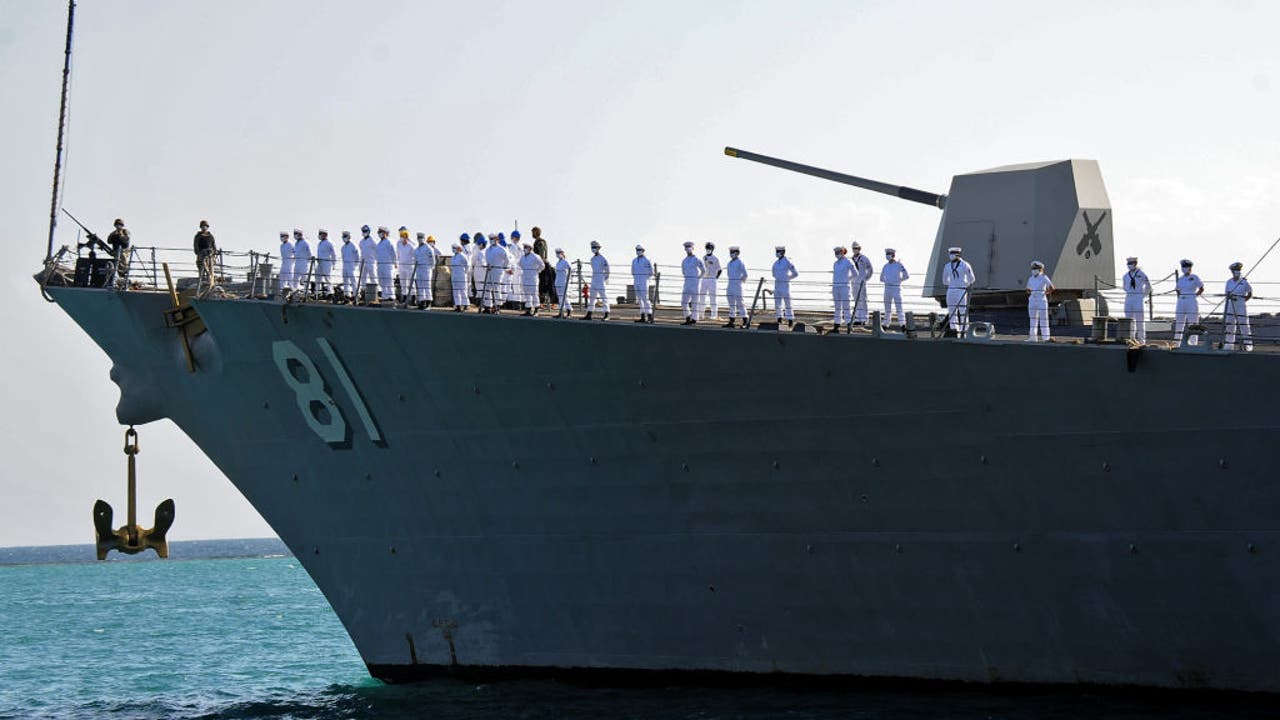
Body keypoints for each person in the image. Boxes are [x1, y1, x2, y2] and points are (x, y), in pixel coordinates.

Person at [942, 246, 975, 335]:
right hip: (951, 290)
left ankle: (964, 329)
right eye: (950, 254)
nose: (951, 256)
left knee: (963, 311)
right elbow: (944, 280)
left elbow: (972, 279)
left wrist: (965, 284)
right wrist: (952, 284)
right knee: (951, 311)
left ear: (958, 254)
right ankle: (954, 329)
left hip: (961, 290)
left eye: (953, 254)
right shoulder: (947, 266)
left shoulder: (965, 265)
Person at [1224, 261, 1253, 351]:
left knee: (1244, 325)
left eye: (1238, 270)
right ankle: (1229, 345)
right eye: (1235, 270)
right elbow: (1226, 294)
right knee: (1229, 325)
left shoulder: (1244, 282)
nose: (1237, 271)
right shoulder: (1229, 282)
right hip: (1230, 304)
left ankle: (1248, 345)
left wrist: (1243, 301)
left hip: (1240, 303)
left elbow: (1250, 293)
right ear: (1232, 271)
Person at [1174, 259, 1204, 345]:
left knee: (1193, 322)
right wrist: (1180, 297)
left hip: (1191, 299)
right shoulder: (1180, 279)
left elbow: (1201, 288)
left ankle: (1193, 343)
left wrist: (1195, 295)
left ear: (1190, 268)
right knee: (1179, 322)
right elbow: (1177, 289)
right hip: (1181, 300)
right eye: (1183, 267)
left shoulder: (1195, 277)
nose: (1184, 268)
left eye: (1186, 267)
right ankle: (1177, 343)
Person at [1121, 256, 1150, 343]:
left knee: (1140, 320)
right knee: (1129, 319)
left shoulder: (1142, 274)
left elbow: (1148, 287)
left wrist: (1143, 296)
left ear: (1135, 264)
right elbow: (1124, 287)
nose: (1129, 265)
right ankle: (1131, 338)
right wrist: (1130, 292)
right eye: (1128, 263)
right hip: (1129, 297)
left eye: (1131, 263)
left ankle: (1141, 340)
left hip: (1138, 297)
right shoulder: (1125, 276)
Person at [1026, 260, 1055, 342]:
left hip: (1041, 299)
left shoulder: (1044, 277)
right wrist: (1031, 292)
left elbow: (1052, 287)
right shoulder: (1031, 278)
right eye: (1033, 269)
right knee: (1032, 319)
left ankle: (1046, 338)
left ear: (1040, 269)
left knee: (1043, 319)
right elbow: (1027, 289)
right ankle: (1032, 337)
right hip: (1032, 299)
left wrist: (1045, 293)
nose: (1033, 270)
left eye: (1035, 269)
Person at [880, 248, 909, 326]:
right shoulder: (885, 266)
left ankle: (902, 324)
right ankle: (886, 324)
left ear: (893, 255)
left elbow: (906, 275)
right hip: (887, 288)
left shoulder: (899, 265)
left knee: (899, 307)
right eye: (887, 254)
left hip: (896, 288)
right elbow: (881, 278)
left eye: (889, 254)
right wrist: (887, 281)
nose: (887, 256)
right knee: (887, 308)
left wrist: (899, 280)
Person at [771, 245, 798, 327]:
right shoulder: (775, 263)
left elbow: (795, 273)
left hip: (785, 285)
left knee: (788, 303)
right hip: (777, 285)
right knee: (777, 303)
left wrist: (787, 278)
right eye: (776, 251)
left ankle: (790, 320)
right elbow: (773, 274)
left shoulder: (788, 261)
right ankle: (779, 318)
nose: (777, 253)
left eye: (778, 251)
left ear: (782, 252)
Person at [680, 241, 705, 325]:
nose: (688, 249)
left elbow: (703, 271)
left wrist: (698, 278)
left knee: (695, 302)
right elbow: (683, 272)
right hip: (687, 283)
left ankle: (694, 319)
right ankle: (688, 316)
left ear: (693, 248)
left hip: (695, 283)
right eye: (686, 247)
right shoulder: (684, 261)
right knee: (684, 302)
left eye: (689, 247)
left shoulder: (697, 259)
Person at [412, 234, 440, 309]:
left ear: (424, 239)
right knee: (420, 286)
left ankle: (428, 302)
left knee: (427, 286)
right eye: (418, 238)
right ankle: (422, 302)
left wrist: (431, 267)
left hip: (426, 269)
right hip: (419, 270)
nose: (420, 239)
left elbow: (432, 260)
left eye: (421, 238)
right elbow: (415, 259)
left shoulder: (428, 248)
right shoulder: (417, 249)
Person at [584, 240, 610, 320]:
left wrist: (605, 278)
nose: (593, 249)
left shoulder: (603, 258)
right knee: (592, 297)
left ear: (598, 248)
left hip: (600, 279)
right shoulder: (592, 259)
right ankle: (589, 313)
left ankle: (606, 314)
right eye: (592, 247)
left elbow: (607, 269)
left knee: (604, 297)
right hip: (594, 279)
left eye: (595, 247)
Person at [483, 234, 509, 312]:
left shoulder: (501, 249)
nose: (491, 240)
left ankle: (497, 306)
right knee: (487, 288)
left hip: (497, 271)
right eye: (490, 239)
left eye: (492, 239)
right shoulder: (488, 250)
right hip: (489, 270)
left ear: (497, 239)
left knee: (497, 288)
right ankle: (488, 306)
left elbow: (507, 260)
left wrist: (503, 268)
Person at [849, 241, 874, 324]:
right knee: (856, 299)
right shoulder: (851, 259)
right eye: (854, 248)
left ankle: (864, 318)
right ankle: (858, 317)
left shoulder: (864, 258)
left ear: (859, 249)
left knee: (863, 299)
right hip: (854, 282)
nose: (855, 250)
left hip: (861, 281)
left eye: (856, 248)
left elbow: (870, 269)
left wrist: (866, 278)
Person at [830, 246, 854, 331]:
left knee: (846, 306)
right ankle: (836, 325)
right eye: (835, 253)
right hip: (836, 286)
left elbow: (855, 273)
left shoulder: (848, 262)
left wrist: (847, 279)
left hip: (844, 287)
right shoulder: (836, 263)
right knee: (837, 307)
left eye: (838, 252)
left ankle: (849, 324)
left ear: (843, 252)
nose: (836, 254)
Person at [724, 246, 748, 328]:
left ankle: (745, 320)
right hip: (730, 284)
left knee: (740, 303)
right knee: (731, 303)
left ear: (737, 253)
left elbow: (745, 274)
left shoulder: (740, 262)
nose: (731, 254)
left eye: (733, 252)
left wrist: (740, 281)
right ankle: (731, 320)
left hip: (737, 285)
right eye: (730, 252)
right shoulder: (729, 263)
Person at [519, 243, 546, 315]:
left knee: (534, 293)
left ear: (530, 248)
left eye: (526, 247)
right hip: (525, 277)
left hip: (533, 277)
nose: (524, 249)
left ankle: (536, 310)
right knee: (526, 293)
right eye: (524, 247)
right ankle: (528, 309)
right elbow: (520, 264)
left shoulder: (535, 256)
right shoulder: (522, 257)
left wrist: (537, 271)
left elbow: (542, 266)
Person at [631, 244, 654, 323]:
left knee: (645, 298)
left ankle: (649, 315)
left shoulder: (647, 260)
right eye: (637, 250)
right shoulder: (634, 260)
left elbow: (651, 272)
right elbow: (632, 271)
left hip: (644, 281)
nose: (638, 251)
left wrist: (646, 278)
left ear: (643, 251)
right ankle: (642, 316)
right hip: (636, 280)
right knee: (639, 299)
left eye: (639, 250)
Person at [699, 242, 722, 320]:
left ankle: (714, 315)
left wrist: (715, 278)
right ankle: (701, 314)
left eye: (709, 248)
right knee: (702, 296)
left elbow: (719, 270)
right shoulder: (703, 258)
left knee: (713, 297)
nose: (708, 249)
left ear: (712, 249)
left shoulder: (715, 259)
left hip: (712, 279)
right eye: (707, 248)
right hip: (704, 279)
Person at [375, 226, 397, 304]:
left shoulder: (390, 242)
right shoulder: (378, 244)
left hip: (388, 265)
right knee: (382, 282)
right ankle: (385, 297)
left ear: (385, 233)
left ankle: (391, 297)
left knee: (389, 281)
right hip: (380, 265)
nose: (379, 233)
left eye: (381, 232)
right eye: (379, 232)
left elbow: (394, 253)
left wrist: (395, 262)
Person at [357, 225, 378, 304]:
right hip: (363, 262)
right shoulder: (361, 242)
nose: (364, 232)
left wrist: (376, 260)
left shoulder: (372, 241)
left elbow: (376, 251)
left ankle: (375, 294)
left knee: (373, 277)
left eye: (365, 231)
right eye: (363, 231)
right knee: (363, 278)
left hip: (371, 261)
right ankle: (363, 293)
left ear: (369, 232)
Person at [194, 220, 217, 288]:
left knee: (210, 271)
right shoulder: (198, 236)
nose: (204, 227)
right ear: (201, 227)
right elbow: (196, 246)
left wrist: (214, 253)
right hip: (202, 255)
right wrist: (199, 253)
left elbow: (213, 245)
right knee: (202, 270)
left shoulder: (210, 236)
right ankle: (201, 283)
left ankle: (210, 283)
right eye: (203, 226)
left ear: (207, 227)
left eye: (205, 226)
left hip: (210, 256)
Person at [292, 229, 313, 297]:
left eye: (296, 234)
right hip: (297, 262)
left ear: (300, 234)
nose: (295, 235)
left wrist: (309, 259)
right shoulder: (296, 243)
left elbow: (310, 252)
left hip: (303, 262)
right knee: (295, 278)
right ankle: (295, 292)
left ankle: (307, 292)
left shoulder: (305, 242)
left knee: (305, 278)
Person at [340, 231, 359, 303]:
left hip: (352, 266)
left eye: (345, 236)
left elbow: (358, 256)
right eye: (343, 236)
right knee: (345, 281)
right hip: (345, 265)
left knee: (353, 281)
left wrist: (355, 264)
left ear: (349, 237)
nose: (344, 238)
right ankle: (347, 295)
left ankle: (356, 294)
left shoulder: (353, 245)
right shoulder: (343, 247)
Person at [396, 229, 415, 302]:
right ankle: (404, 297)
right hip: (401, 266)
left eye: (403, 236)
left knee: (411, 282)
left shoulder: (411, 246)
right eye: (401, 236)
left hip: (409, 266)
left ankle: (413, 298)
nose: (402, 238)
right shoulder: (399, 245)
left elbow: (415, 256)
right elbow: (398, 254)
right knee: (402, 282)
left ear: (406, 237)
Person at [450, 243, 470, 311]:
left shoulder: (463, 256)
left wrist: (465, 273)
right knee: (455, 291)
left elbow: (467, 265)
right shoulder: (453, 257)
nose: (453, 249)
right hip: (454, 276)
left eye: (455, 248)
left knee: (463, 290)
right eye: (453, 248)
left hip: (461, 275)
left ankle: (466, 305)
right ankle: (458, 306)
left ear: (459, 248)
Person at [315, 229, 335, 297]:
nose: (319, 235)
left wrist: (334, 263)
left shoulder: (329, 243)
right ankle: (317, 292)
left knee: (327, 277)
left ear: (325, 235)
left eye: (321, 234)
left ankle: (330, 292)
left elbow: (333, 254)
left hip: (327, 262)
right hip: (320, 262)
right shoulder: (319, 243)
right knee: (318, 277)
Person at [554, 248, 573, 318]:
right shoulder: (558, 262)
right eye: (557, 253)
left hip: (564, 282)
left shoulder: (565, 261)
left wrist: (568, 280)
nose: (557, 254)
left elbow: (570, 269)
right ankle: (561, 312)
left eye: (559, 253)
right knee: (560, 298)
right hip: (558, 282)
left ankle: (569, 312)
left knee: (565, 297)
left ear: (562, 253)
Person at [470, 234, 488, 304]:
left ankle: (482, 303)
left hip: (479, 272)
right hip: (481, 272)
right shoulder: (487, 251)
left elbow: (474, 261)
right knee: (482, 288)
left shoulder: (480, 252)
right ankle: (483, 303)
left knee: (480, 287)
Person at [277, 231, 294, 295]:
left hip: (289, 263)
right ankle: (281, 292)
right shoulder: (281, 246)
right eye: (280, 236)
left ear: (287, 237)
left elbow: (295, 253)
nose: (281, 238)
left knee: (290, 278)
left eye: (282, 236)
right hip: (284, 262)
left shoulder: (291, 244)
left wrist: (292, 261)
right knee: (282, 277)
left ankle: (293, 292)